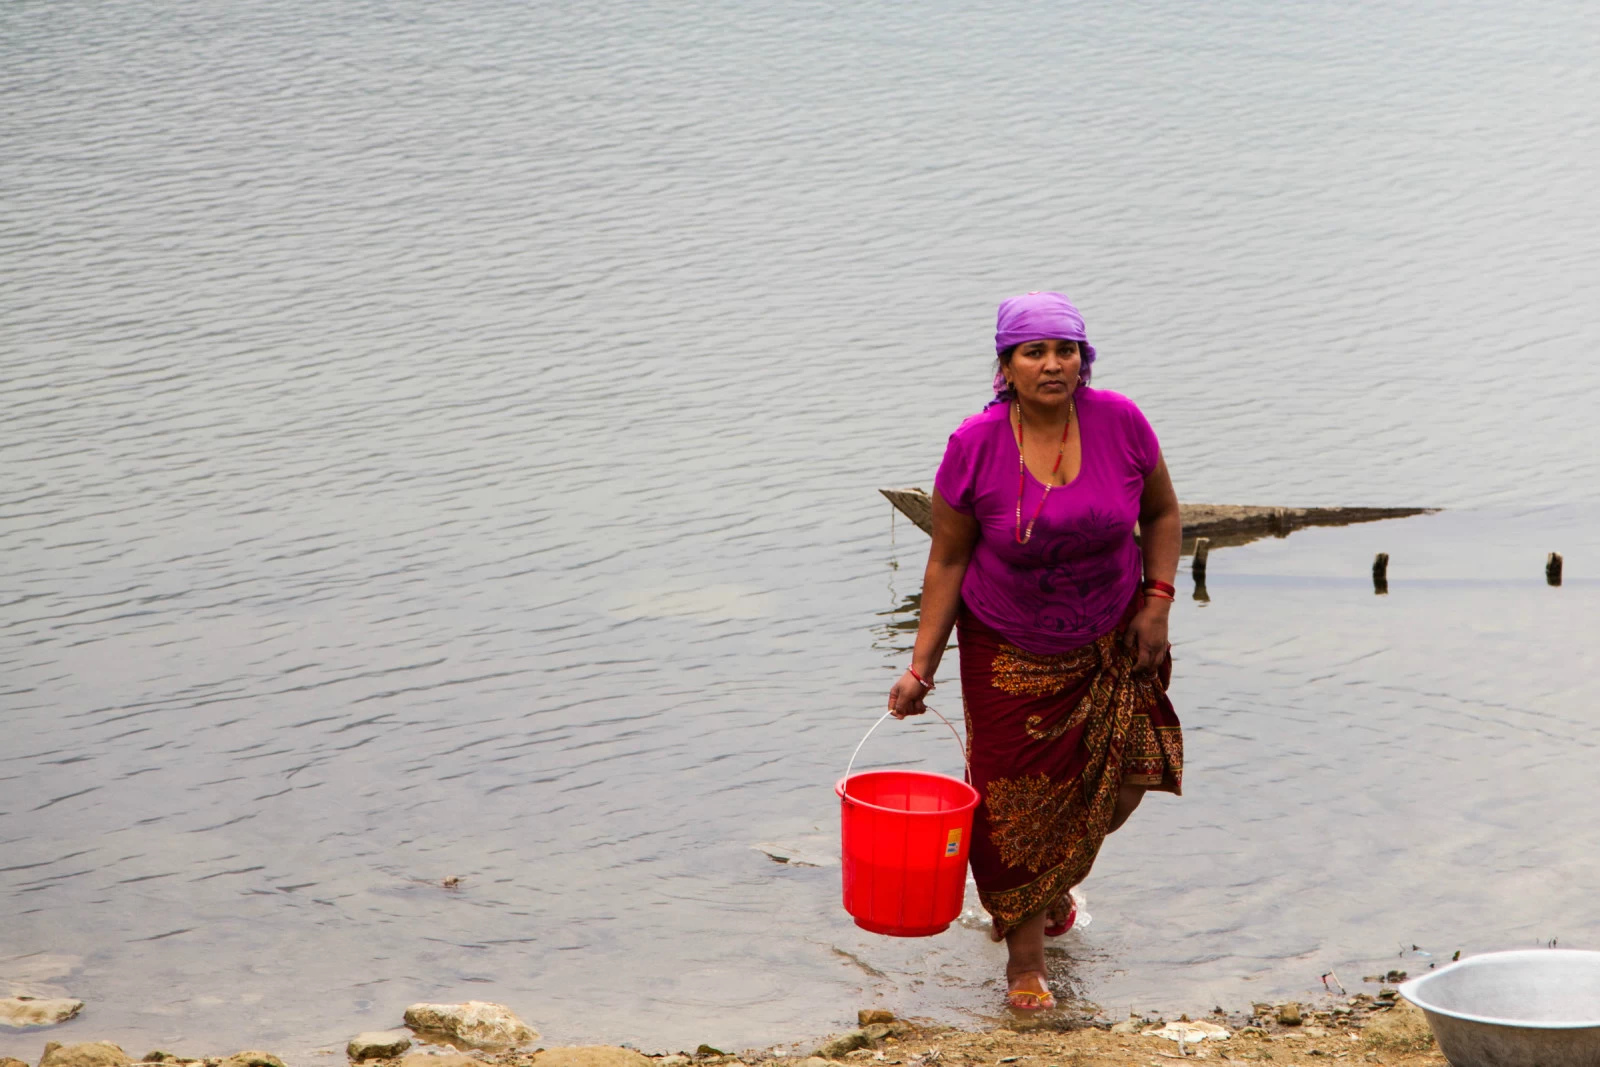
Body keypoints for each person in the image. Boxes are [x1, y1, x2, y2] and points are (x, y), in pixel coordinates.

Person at [886, 291, 1183, 1011]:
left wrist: (1159, 601)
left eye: (1066, 350)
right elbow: (948, 561)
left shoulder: (1122, 421)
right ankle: (1026, 962)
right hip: (1008, 647)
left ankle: (1051, 884)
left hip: (1115, 636)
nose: (1053, 365)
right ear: (1006, 366)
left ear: (1085, 358)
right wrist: (920, 663)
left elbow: (1163, 512)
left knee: (1131, 773)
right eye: (1034, 352)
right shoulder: (974, 444)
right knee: (1014, 807)